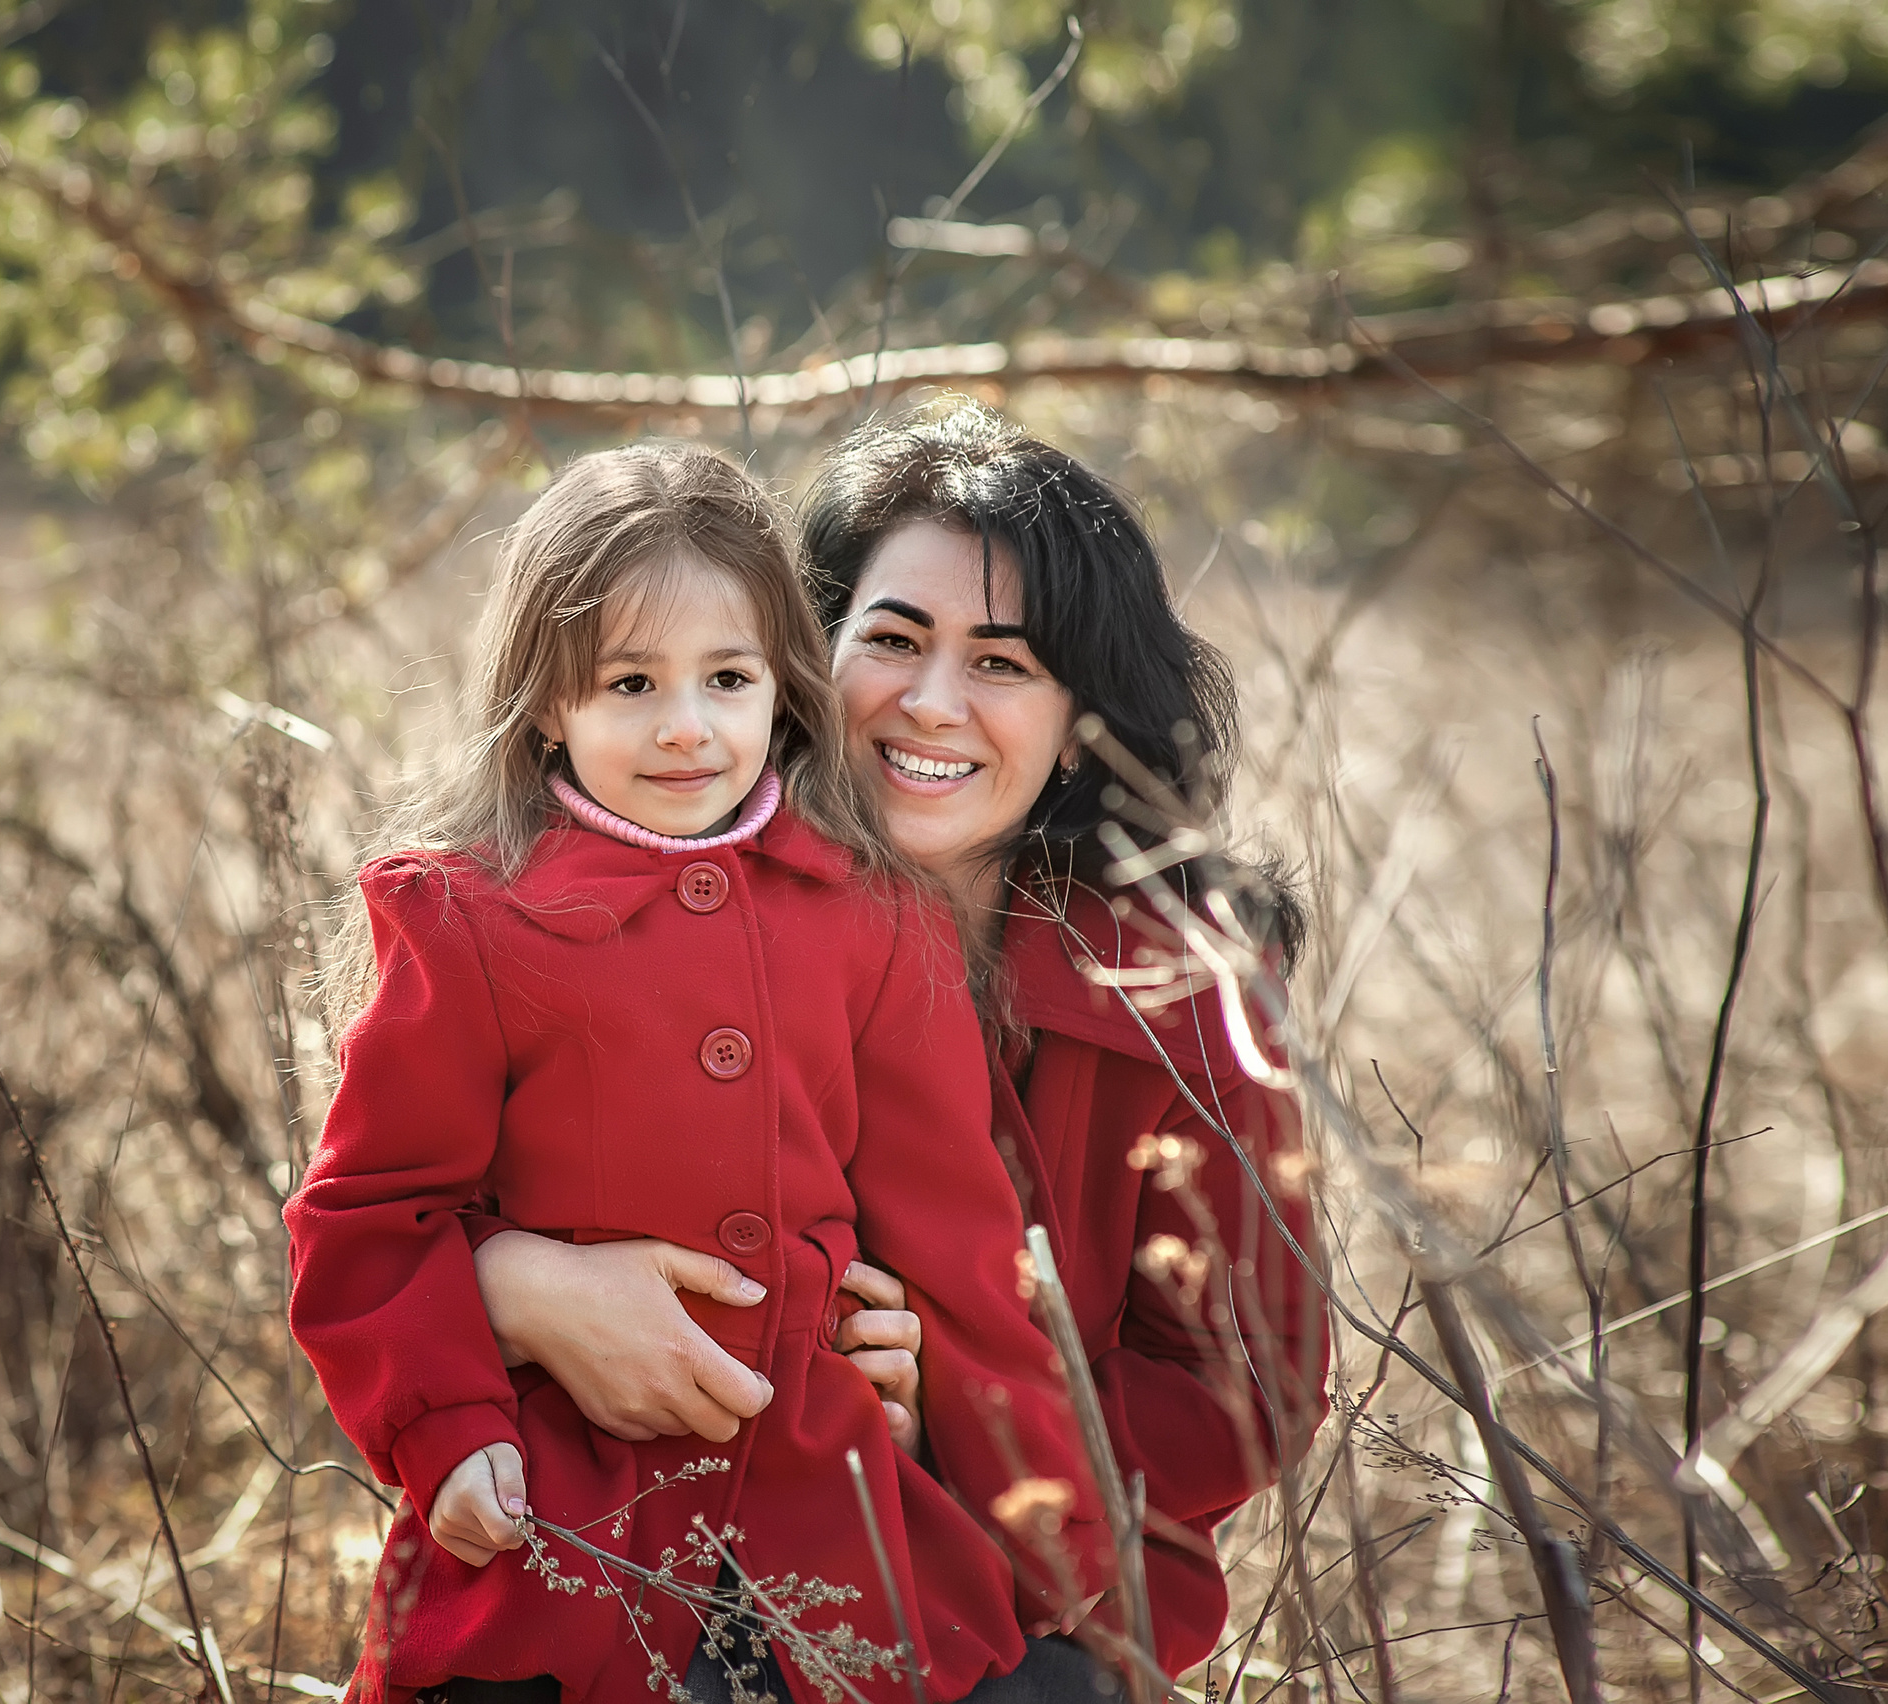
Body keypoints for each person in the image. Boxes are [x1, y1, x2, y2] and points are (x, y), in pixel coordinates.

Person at [474, 403, 1327, 1682]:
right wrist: (517, 1288)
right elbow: (388, 1219)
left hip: (1032, 1602)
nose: (932, 705)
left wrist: (964, 1419)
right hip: (636, 1546)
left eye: (1003, 662)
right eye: (891, 639)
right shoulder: (609, 901)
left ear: (1079, 712)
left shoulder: (1180, 997)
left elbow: (1243, 1393)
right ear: (799, 655)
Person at [284, 440, 1110, 1704]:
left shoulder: (873, 920)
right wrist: (448, 1435)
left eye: (726, 678)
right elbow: (371, 1219)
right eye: (629, 683)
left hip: (834, 1520)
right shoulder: (468, 919)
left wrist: (1047, 1535)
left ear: (781, 690)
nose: (685, 727)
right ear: (549, 703)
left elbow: (961, 1249)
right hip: (568, 1520)